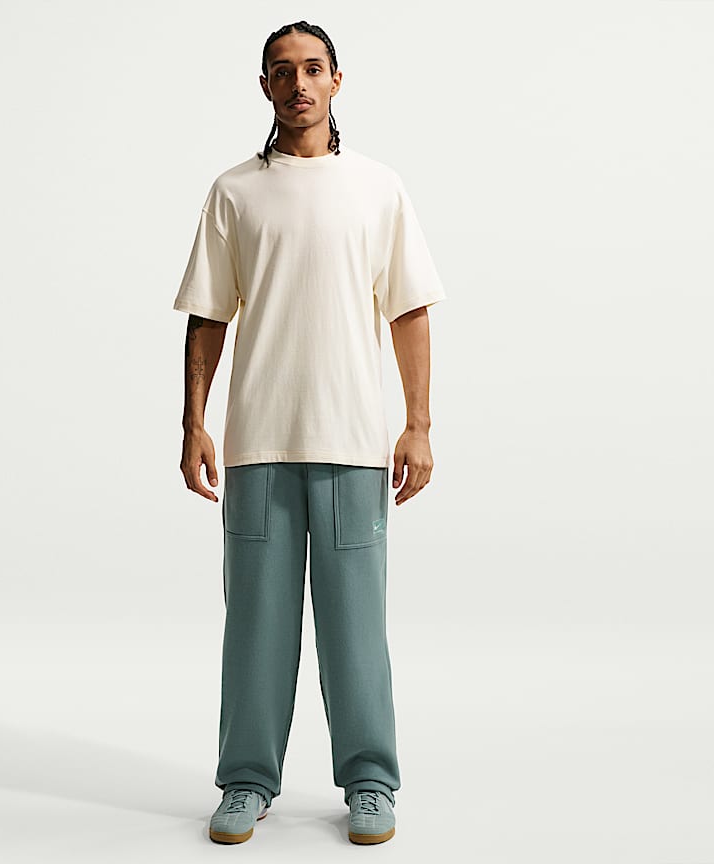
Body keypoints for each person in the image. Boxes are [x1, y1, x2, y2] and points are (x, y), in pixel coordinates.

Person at [173, 19, 446, 846]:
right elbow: (208, 316)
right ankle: (246, 781)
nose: (299, 83)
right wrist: (193, 423)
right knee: (255, 626)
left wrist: (418, 425)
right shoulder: (234, 192)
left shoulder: (378, 188)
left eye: (314, 68)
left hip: (353, 444)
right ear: (265, 86)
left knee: (356, 631)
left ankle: (370, 782)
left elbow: (409, 309)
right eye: (283, 70)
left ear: (336, 80)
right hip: (258, 443)